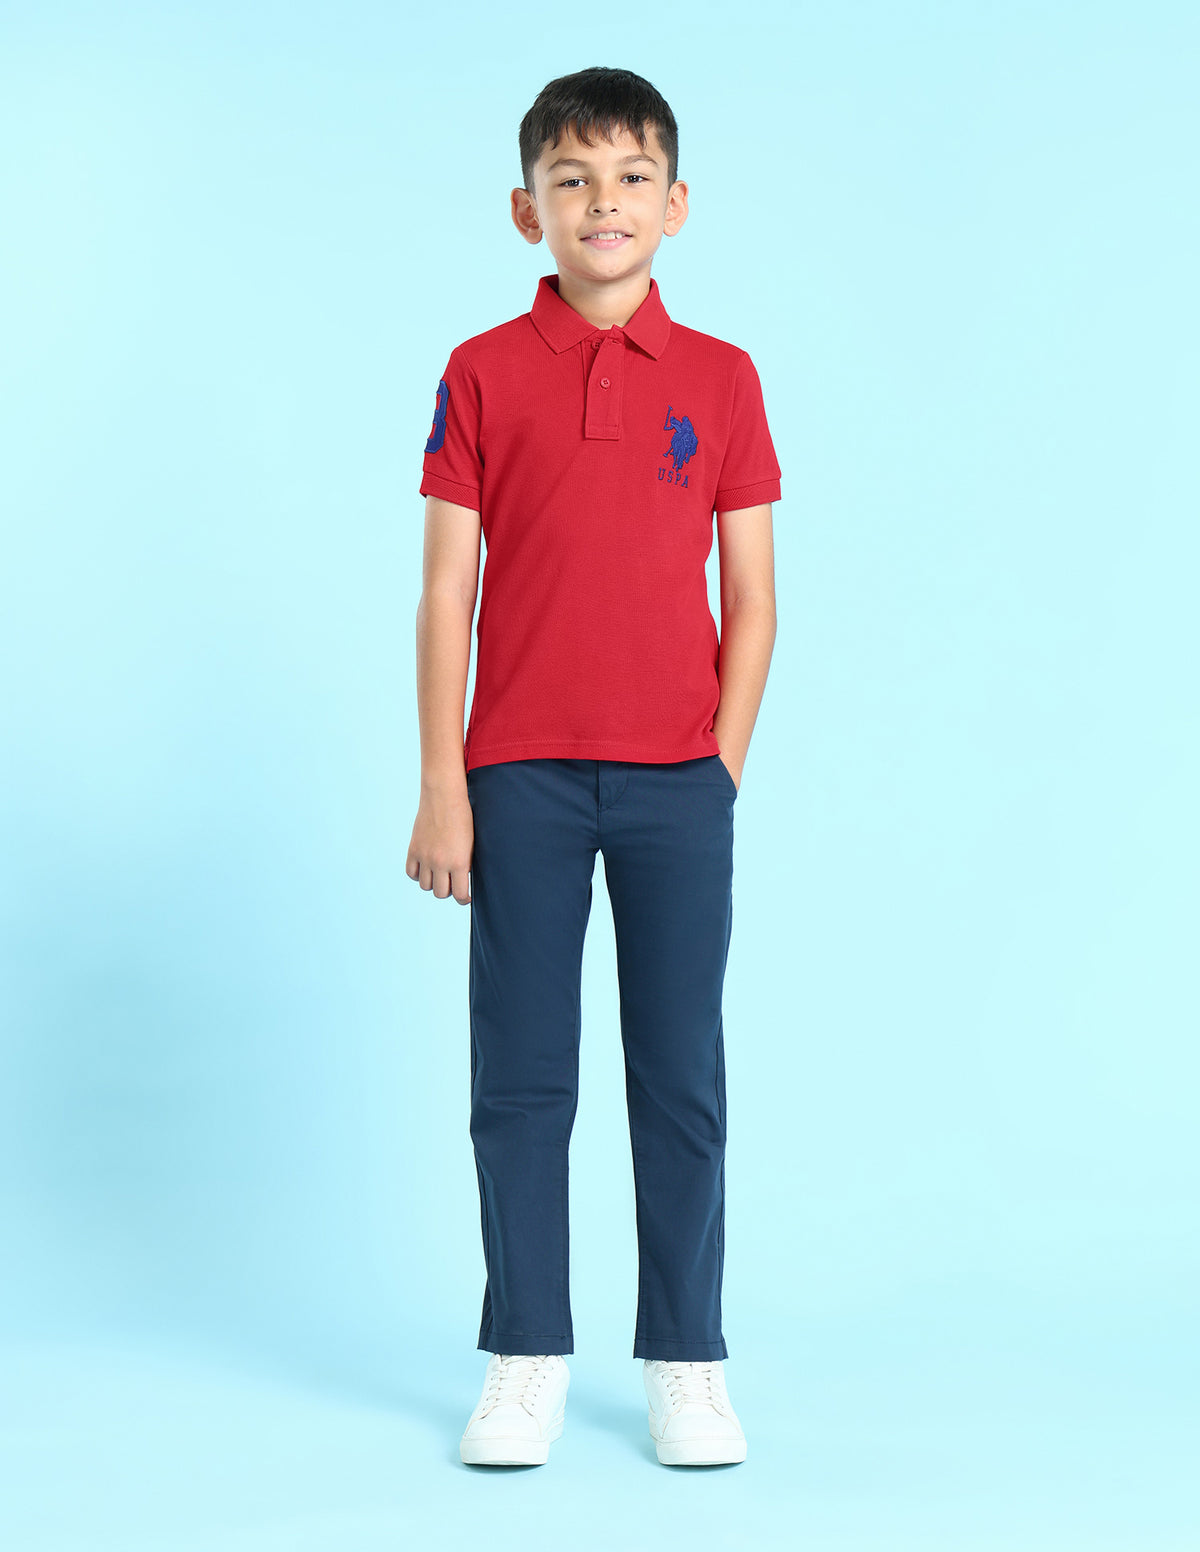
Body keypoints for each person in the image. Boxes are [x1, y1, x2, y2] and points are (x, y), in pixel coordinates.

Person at [407, 65, 781, 1467]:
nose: (602, 203)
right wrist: (444, 781)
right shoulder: (480, 371)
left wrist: (718, 766)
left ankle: (688, 1359)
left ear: (676, 205)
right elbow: (447, 592)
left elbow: (754, 598)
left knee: (680, 1076)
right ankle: (526, 1356)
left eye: (631, 178)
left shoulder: (725, 378)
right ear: (528, 212)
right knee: (520, 1079)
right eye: (571, 181)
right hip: (520, 776)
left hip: (678, 781)